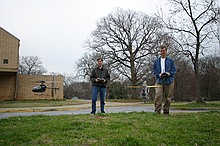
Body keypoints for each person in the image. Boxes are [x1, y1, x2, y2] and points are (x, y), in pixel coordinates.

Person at [153, 46, 176, 115]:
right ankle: (157, 111)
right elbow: (154, 71)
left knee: (168, 97)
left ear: (166, 51)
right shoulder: (156, 61)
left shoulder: (171, 61)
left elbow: (174, 70)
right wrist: (158, 75)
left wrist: (169, 73)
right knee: (158, 96)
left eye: (164, 51)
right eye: (161, 51)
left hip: (169, 80)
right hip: (159, 81)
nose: (162, 52)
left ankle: (166, 111)